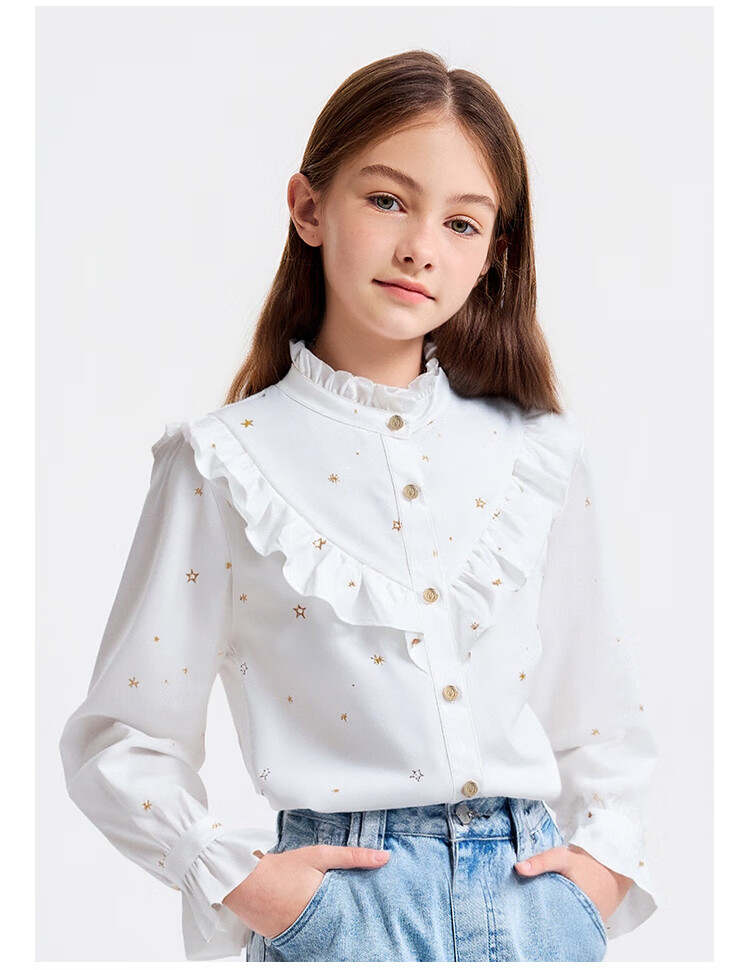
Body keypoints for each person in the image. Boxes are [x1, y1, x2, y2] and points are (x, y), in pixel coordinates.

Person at [59, 50, 662, 962]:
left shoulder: (539, 453)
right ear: (309, 208)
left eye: (462, 222)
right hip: (347, 912)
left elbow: (602, 716)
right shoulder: (221, 463)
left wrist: (599, 873)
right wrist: (246, 884)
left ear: (493, 255)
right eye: (387, 200)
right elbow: (124, 734)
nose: (421, 246)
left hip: (534, 906)